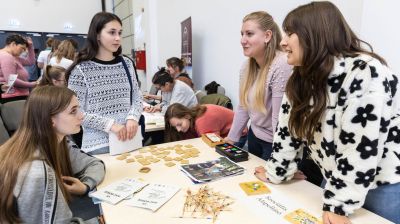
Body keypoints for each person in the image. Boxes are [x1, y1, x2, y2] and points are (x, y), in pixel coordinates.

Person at [254, 2, 400, 224]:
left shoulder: (365, 72)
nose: (282, 42)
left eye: (290, 33)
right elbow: (286, 130)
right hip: (336, 181)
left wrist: (338, 205)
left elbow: (361, 147)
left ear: (314, 34)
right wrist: (277, 170)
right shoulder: (301, 77)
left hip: (380, 187)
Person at [0, 86, 105, 223]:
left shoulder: (57, 142)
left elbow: (94, 163)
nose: (81, 115)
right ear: (51, 120)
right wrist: (97, 222)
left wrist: (85, 186)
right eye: (73, 111)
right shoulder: (36, 172)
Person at [67, 12, 143, 155]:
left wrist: (133, 117)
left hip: (129, 141)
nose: (117, 38)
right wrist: (111, 125)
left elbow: (137, 96)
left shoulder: (126, 63)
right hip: (98, 146)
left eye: (120, 33)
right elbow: (76, 111)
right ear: (97, 35)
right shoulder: (81, 70)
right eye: (112, 32)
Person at [224, 11, 292, 161]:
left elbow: (279, 118)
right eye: (242, 34)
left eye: (249, 34)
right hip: (254, 136)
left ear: (267, 36)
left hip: (274, 142)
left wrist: (282, 160)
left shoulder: (281, 64)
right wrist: (231, 139)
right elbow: (243, 107)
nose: (242, 40)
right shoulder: (246, 67)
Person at [165, 103, 246, 142]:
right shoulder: (190, 119)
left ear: (187, 116)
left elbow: (214, 145)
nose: (178, 130)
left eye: (179, 125)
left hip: (238, 134)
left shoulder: (202, 122)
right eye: (175, 127)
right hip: (220, 134)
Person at [0, 34, 37, 103]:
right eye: (22, 48)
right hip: (13, 96)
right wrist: (31, 84)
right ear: (13, 44)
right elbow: (11, 80)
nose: (23, 51)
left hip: (15, 95)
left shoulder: (14, 57)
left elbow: (31, 62)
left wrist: (30, 46)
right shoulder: (6, 57)